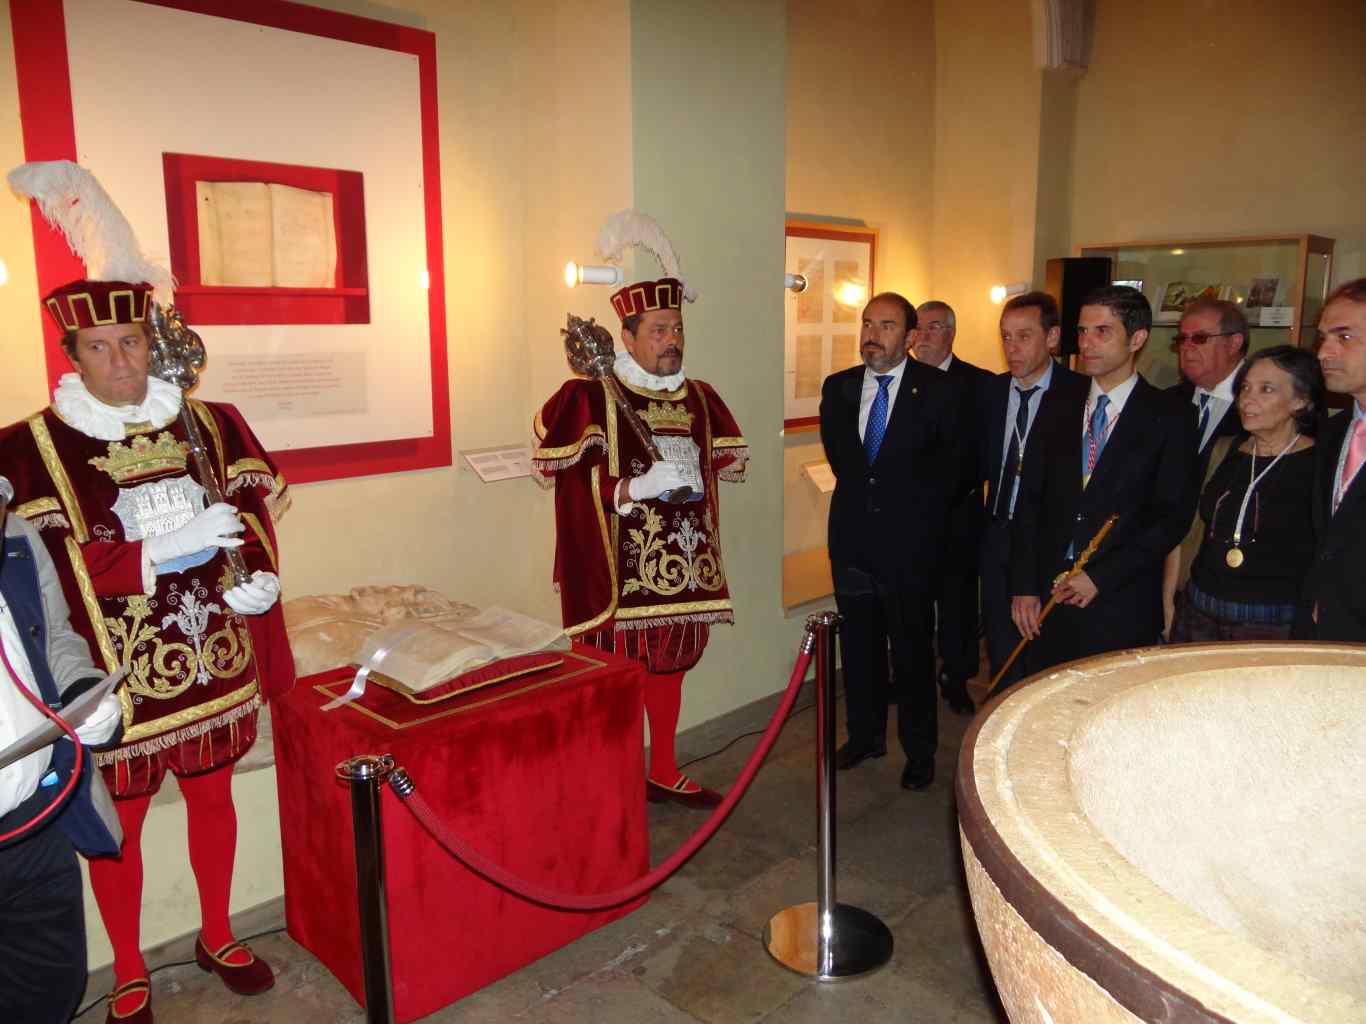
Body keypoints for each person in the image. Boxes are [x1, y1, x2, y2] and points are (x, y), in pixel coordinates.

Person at [3, 160, 295, 1024]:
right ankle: (129, 965)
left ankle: (215, 930)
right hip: (118, 670)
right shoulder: (28, 449)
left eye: (132, 342)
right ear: (72, 352)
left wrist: (258, 576)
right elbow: (46, 579)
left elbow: (247, 512)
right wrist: (156, 553)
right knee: (119, 820)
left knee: (215, 797)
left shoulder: (208, 421)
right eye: (100, 347)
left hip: (213, 653)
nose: (121, 361)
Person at [533, 276, 747, 808]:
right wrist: (630, 487)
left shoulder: (700, 397)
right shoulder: (589, 396)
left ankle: (664, 768)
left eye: (677, 329)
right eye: (658, 330)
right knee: (615, 676)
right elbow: (569, 480)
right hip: (618, 569)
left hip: (685, 562)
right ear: (626, 339)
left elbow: (716, 471)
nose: (671, 339)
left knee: (669, 668)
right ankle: (610, 776)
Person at [820, 292, 970, 791]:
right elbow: (846, 464)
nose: (871, 334)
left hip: (911, 549)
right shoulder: (838, 388)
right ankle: (864, 736)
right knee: (858, 648)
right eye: (866, 323)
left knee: (910, 652)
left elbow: (957, 471)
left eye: (885, 325)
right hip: (853, 544)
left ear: (910, 338)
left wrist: (918, 520)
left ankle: (920, 750)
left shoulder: (940, 391)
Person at [1010, 285, 1198, 673]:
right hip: (1049, 593)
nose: (1086, 344)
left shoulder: (1169, 415)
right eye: (1081, 331)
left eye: (1102, 331)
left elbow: (1171, 517)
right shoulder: (1057, 403)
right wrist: (1025, 585)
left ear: (1138, 338)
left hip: (1118, 598)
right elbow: (1030, 500)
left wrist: (1100, 577)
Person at [0, 492, 124, 1023]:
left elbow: (54, 636)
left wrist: (85, 693)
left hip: (35, 823)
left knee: (52, 988)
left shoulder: (19, 535)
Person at [1170, 346, 1323, 642]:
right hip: (1198, 614)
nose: (1247, 399)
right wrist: (1169, 604)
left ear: (1301, 401)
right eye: (1245, 388)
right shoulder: (1224, 450)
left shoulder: (1320, 465)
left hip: (1272, 628)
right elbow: (1188, 533)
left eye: (1266, 389)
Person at [979, 292, 1086, 690]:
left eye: (1024, 336)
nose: (1012, 348)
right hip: (998, 534)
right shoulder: (990, 393)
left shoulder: (1080, 396)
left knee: (1047, 654)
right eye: (1005, 337)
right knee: (1003, 654)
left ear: (1053, 337)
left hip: (1050, 541)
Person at [911, 301, 993, 715]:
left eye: (935, 327)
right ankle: (912, 674)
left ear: (951, 334)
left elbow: (987, 454)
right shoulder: (898, 381)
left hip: (958, 515)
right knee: (912, 603)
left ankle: (956, 678)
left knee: (958, 604)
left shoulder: (981, 385)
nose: (924, 335)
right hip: (908, 520)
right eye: (919, 327)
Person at [1161, 298, 1251, 631]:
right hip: (1163, 565)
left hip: (1228, 585)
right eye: (1181, 339)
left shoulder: (1263, 410)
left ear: (1234, 342)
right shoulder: (1168, 403)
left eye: (1199, 338)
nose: (1186, 347)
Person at [1298, 278, 1366, 642]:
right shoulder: (1333, 432)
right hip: (1323, 641)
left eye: (1344, 337)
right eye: (1322, 338)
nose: (1324, 352)